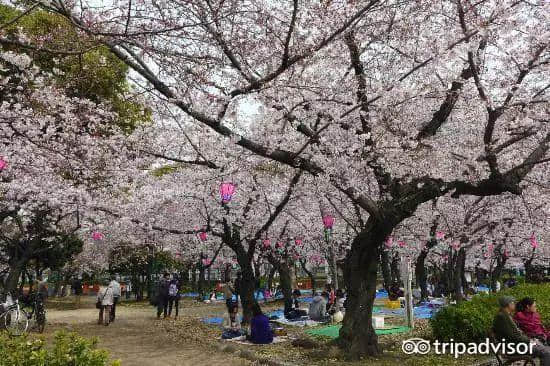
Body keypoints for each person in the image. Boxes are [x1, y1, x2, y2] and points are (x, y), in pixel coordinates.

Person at [493, 296, 550, 365]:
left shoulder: (505, 315)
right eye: (513, 303)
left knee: (544, 349)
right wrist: (529, 340)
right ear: (509, 304)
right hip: (514, 347)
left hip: (516, 345)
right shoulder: (502, 317)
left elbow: (515, 334)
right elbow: (513, 335)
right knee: (546, 352)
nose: (515, 305)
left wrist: (530, 340)